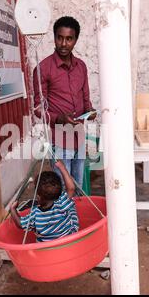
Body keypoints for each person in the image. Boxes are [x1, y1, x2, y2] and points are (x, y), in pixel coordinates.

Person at [33, 16, 96, 189]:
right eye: (60, 37)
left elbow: (86, 99)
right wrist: (59, 118)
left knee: (78, 186)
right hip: (59, 138)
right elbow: (38, 109)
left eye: (69, 39)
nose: (63, 43)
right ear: (54, 37)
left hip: (79, 135)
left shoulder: (81, 67)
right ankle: (65, 216)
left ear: (75, 40)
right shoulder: (43, 68)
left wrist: (91, 111)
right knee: (63, 189)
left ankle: (77, 216)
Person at [9, 161, 79, 242]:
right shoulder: (61, 203)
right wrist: (62, 168)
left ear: (38, 196)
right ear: (59, 193)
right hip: (68, 240)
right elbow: (71, 188)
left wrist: (13, 209)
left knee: (35, 230)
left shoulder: (35, 214)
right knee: (71, 207)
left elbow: (20, 224)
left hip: (48, 247)